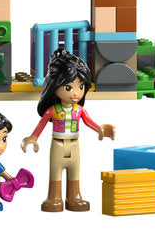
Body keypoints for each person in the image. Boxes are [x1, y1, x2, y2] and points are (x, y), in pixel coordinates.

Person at [21, 48, 115, 212]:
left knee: (74, 172)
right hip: (57, 145)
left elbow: (89, 122)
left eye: (81, 86)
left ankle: (74, 196)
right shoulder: (53, 110)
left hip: (74, 145)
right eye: (68, 87)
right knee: (55, 172)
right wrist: (33, 138)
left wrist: (100, 129)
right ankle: (54, 197)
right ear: (54, 86)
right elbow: (41, 124)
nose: (76, 93)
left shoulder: (79, 110)